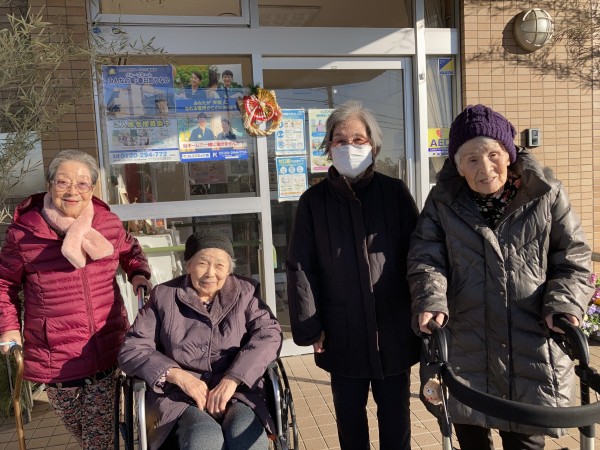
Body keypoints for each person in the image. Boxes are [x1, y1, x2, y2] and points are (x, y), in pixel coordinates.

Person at [407, 104, 594, 450]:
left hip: (531, 344)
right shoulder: (442, 203)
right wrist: (430, 300)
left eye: (493, 154)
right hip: (466, 347)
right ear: (458, 167)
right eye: (472, 159)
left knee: (526, 442)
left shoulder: (546, 195)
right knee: (471, 440)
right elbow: (426, 259)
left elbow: (574, 258)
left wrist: (564, 304)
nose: (485, 168)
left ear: (509, 154)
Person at [286, 100, 421, 450]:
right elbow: (301, 266)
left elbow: (419, 255)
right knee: (349, 421)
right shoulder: (313, 201)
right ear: (329, 147)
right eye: (340, 140)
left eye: (358, 139)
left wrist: (422, 310)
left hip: (392, 327)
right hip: (340, 330)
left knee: (396, 420)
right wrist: (310, 326)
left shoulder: (394, 192)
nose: (349, 147)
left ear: (373, 146)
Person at [0, 149, 152, 450]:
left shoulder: (107, 223)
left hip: (105, 347)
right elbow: (4, 283)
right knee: (85, 433)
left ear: (92, 188)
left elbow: (129, 249)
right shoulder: (24, 234)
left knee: (98, 440)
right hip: (55, 357)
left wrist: (138, 273)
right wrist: (9, 327)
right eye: (63, 182)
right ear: (49, 184)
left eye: (82, 184)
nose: (73, 191)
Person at [118, 229, 282, 450]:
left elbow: (269, 334)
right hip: (178, 397)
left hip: (238, 391)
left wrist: (233, 378)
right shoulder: (163, 296)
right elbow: (132, 349)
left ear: (229, 269)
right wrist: (178, 376)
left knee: (246, 436)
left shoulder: (247, 292)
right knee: (203, 438)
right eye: (202, 263)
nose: (210, 273)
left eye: (220, 265)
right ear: (188, 265)